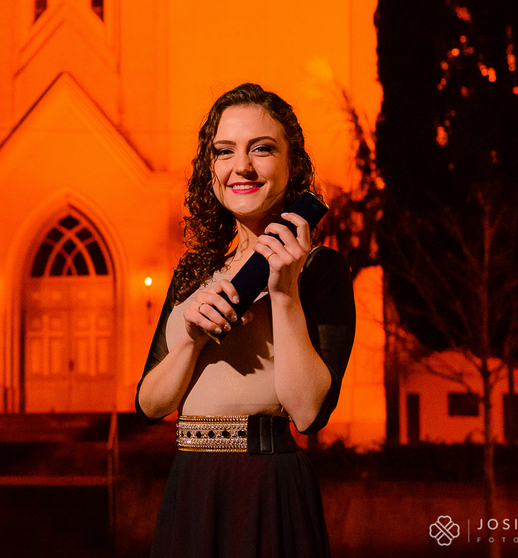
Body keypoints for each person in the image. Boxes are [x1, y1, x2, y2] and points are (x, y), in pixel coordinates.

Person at [136, 82, 355, 558]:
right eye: (224, 151)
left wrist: (284, 291)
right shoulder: (193, 272)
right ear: (209, 168)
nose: (242, 166)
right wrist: (191, 341)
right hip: (191, 486)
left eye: (262, 149)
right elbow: (150, 404)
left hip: (265, 486)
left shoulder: (320, 270)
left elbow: (307, 413)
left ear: (292, 163)